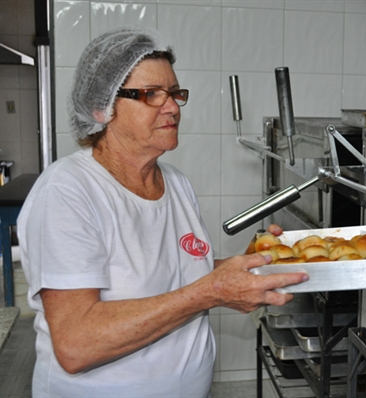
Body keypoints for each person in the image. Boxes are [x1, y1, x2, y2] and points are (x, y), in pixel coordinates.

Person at [17, 25, 307, 398]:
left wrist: (253, 263)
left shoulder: (175, 182)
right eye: (150, 94)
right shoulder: (68, 192)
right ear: (100, 108)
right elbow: (76, 344)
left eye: (173, 93)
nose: (171, 106)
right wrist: (212, 291)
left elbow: (177, 275)